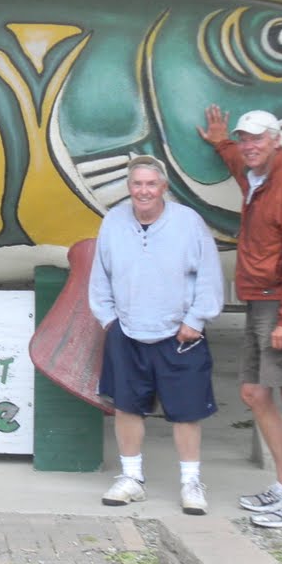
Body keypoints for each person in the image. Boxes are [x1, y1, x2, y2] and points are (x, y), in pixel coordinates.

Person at [198, 106, 282, 529]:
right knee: (254, 393)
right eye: (245, 138)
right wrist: (221, 142)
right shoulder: (257, 179)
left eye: (257, 138)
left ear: (277, 140)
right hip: (259, 299)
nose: (249, 146)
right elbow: (240, 161)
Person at [89, 155, 224, 515]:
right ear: (129, 188)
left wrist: (196, 319)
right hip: (128, 329)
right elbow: (100, 275)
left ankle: (190, 483)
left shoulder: (187, 222)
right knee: (126, 407)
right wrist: (108, 319)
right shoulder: (113, 222)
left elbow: (210, 274)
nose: (144, 191)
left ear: (163, 187)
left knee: (186, 411)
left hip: (180, 332)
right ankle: (131, 478)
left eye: (151, 184)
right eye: (137, 184)